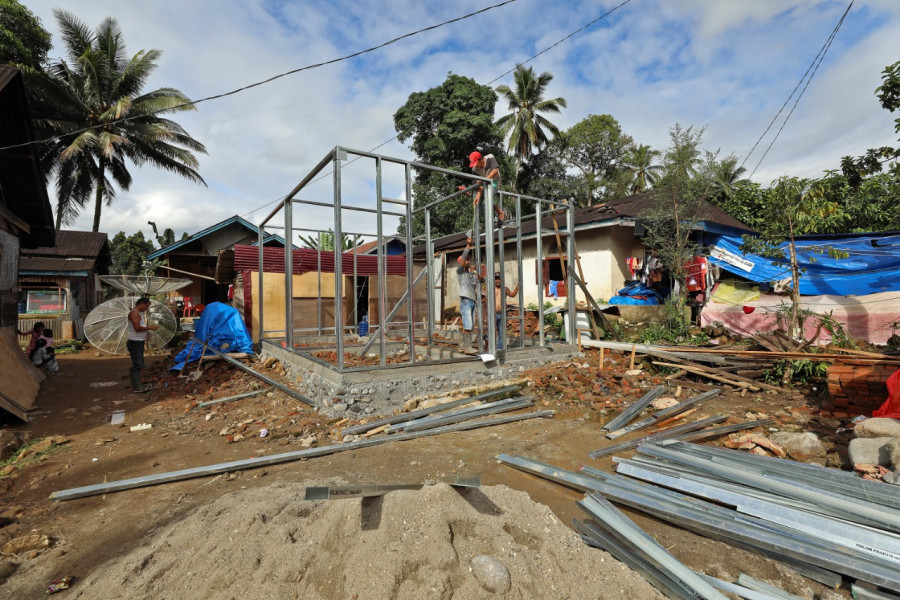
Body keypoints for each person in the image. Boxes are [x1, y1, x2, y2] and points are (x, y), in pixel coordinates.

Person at [456, 235, 482, 352]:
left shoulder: (471, 274)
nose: (467, 261)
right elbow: (463, 259)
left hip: (472, 300)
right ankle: (467, 347)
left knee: (469, 325)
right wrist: (468, 246)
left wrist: (481, 278)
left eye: (468, 260)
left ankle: (462, 346)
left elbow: (480, 281)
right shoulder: (460, 272)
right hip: (466, 300)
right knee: (468, 325)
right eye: (465, 260)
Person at [128, 297, 159, 393]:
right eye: (146, 306)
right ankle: (137, 387)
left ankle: (137, 384)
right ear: (141, 303)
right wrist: (150, 327)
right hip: (135, 342)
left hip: (138, 342)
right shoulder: (134, 313)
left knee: (139, 363)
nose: (146, 308)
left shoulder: (138, 313)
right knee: (138, 364)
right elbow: (137, 328)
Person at [468, 150, 504, 222]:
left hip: (494, 182)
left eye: (475, 163)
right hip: (484, 184)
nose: (475, 165)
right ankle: (492, 218)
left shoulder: (490, 157)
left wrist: (484, 180)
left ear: (480, 159)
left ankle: (499, 214)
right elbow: (480, 185)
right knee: (479, 204)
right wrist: (478, 196)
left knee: (486, 200)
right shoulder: (474, 170)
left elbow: (495, 170)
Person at [493, 272, 519, 350]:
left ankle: (499, 348)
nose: (497, 280)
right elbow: (486, 301)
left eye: (499, 279)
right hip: (493, 314)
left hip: (502, 314)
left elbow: (512, 294)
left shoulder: (505, 289)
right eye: (496, 279)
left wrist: (517, 288)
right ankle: (491, 348)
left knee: (501, 332)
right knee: (492, 332)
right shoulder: (491, 289)